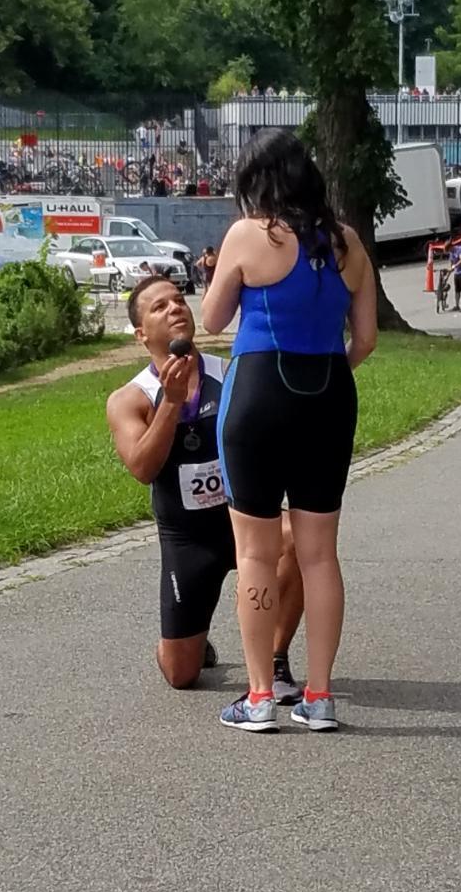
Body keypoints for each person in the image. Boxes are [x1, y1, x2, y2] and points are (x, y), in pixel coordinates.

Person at [201, 129, 378, 733]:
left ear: (257, 182)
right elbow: (366, 340)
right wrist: (325, 375)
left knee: (254, 551)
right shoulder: (348, 243)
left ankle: (258, 698)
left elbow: (213, 319)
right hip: (329, 395)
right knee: (319, 554)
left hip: (259, 392)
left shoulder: (249, 234)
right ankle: (319, 696)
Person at [106, 275, 306, 699]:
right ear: (141, 334)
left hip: (243, 520)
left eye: (179, 300)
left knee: (299, 538)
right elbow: (142, 468)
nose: (175, 308)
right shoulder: (130, 399)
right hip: (188, 539)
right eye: (160, 307)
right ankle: (187, 642)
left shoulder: (230, 373)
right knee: (183, 675)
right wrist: (171, 401)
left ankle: (275, 659)